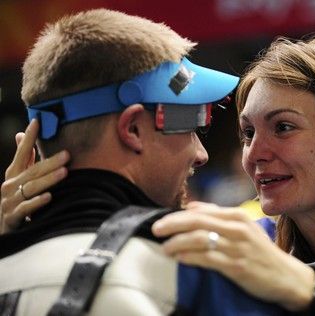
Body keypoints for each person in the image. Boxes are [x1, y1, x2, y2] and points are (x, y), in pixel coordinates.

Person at [2, 35, 315, 314]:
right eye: (247, 132)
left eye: (284, 127)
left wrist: (308, 289)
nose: (255, 154)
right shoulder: (250, 237)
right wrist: (16, 235)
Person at [0, 9, 296, 315]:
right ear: (133, 129)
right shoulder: (197, 279)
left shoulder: (6, 268)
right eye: (191, 124)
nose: (201, 154)